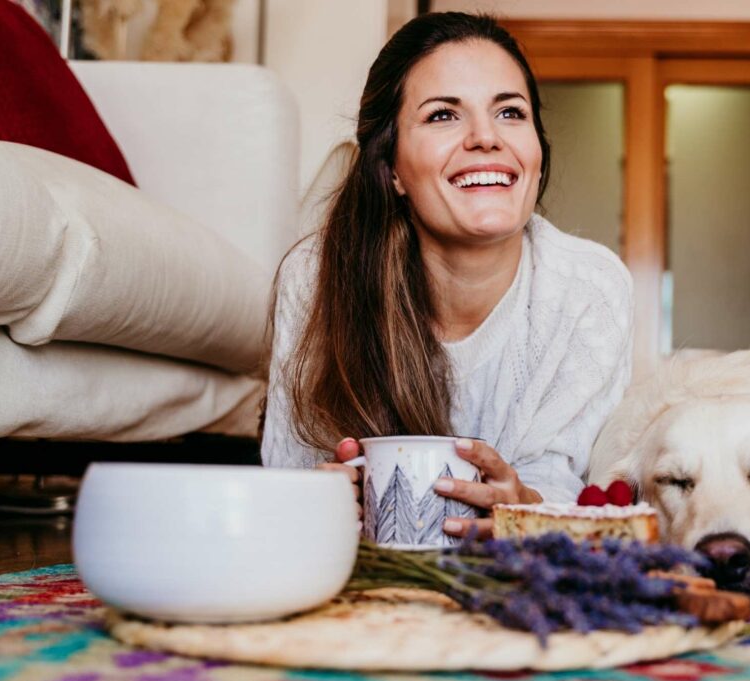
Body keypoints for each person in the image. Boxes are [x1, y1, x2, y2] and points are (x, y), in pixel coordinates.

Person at [261, 12, 633, 537]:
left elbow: (562, 476)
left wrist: (523, 504)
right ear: (391, 169)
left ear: (538, 157)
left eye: (510, 112)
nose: (486, 137)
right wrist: (319, 498)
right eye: (442, 116)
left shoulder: (591, 288)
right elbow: (286, 474)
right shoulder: (316, 277)